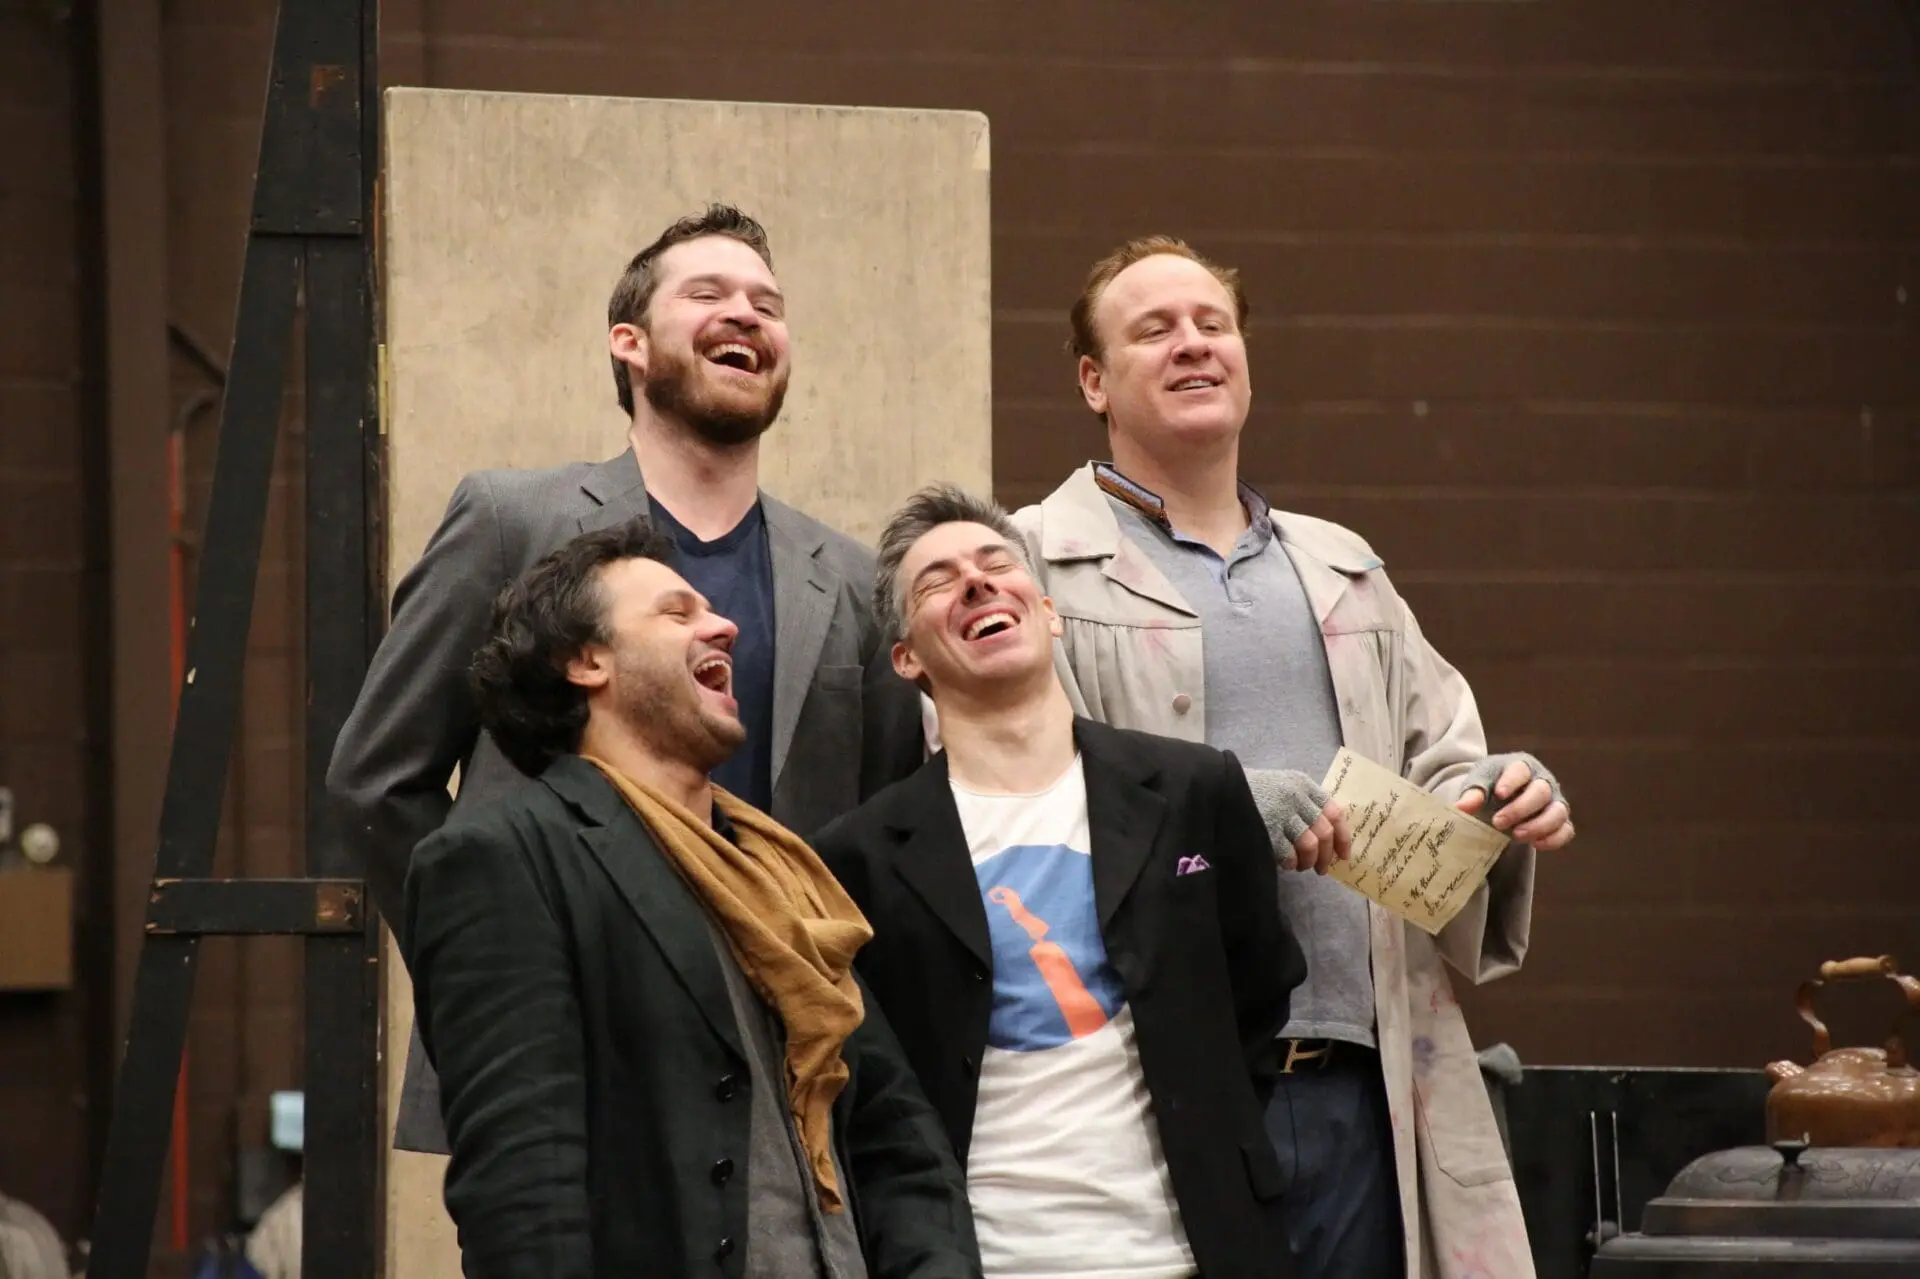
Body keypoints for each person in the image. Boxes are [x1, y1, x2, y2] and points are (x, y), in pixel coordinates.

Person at [1008, 236, 1578, 1279]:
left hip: (1365, 1089)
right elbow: (1007, 801)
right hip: (1156, 1093)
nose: (1193, 345)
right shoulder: (1030, 562)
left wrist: (1494, 798)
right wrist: (1219, 810)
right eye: (1154, 330)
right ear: (1093, 381)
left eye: (1212, 324)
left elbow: (1444, 761)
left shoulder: (1344, 567)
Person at [326, 203, 923, 1153]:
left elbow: (886, 837)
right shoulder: (510, 521)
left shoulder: (854, 580)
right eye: (708, 293)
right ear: (630, 343)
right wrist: (490, 959)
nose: (746, 313)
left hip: (786, 1070)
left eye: (767, 303)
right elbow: (377, 781)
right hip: (562, 1050)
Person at [401, 518, 979, 1279]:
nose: (724, 625)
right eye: (677, 612)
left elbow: (898, 1141)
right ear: (587, 661)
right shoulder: (505, 859)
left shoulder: (783, 873)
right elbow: (523, 1193)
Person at [812, 485, 1307, 1279]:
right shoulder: (858, 858)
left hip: (1195, 1252)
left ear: (1048, 612)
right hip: (986, 1258)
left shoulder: (1194, 791)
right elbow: (873, 1093)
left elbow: (1259, 988)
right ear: (907, 658)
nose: (976, 582)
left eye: (995, 563)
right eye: (938, 581)